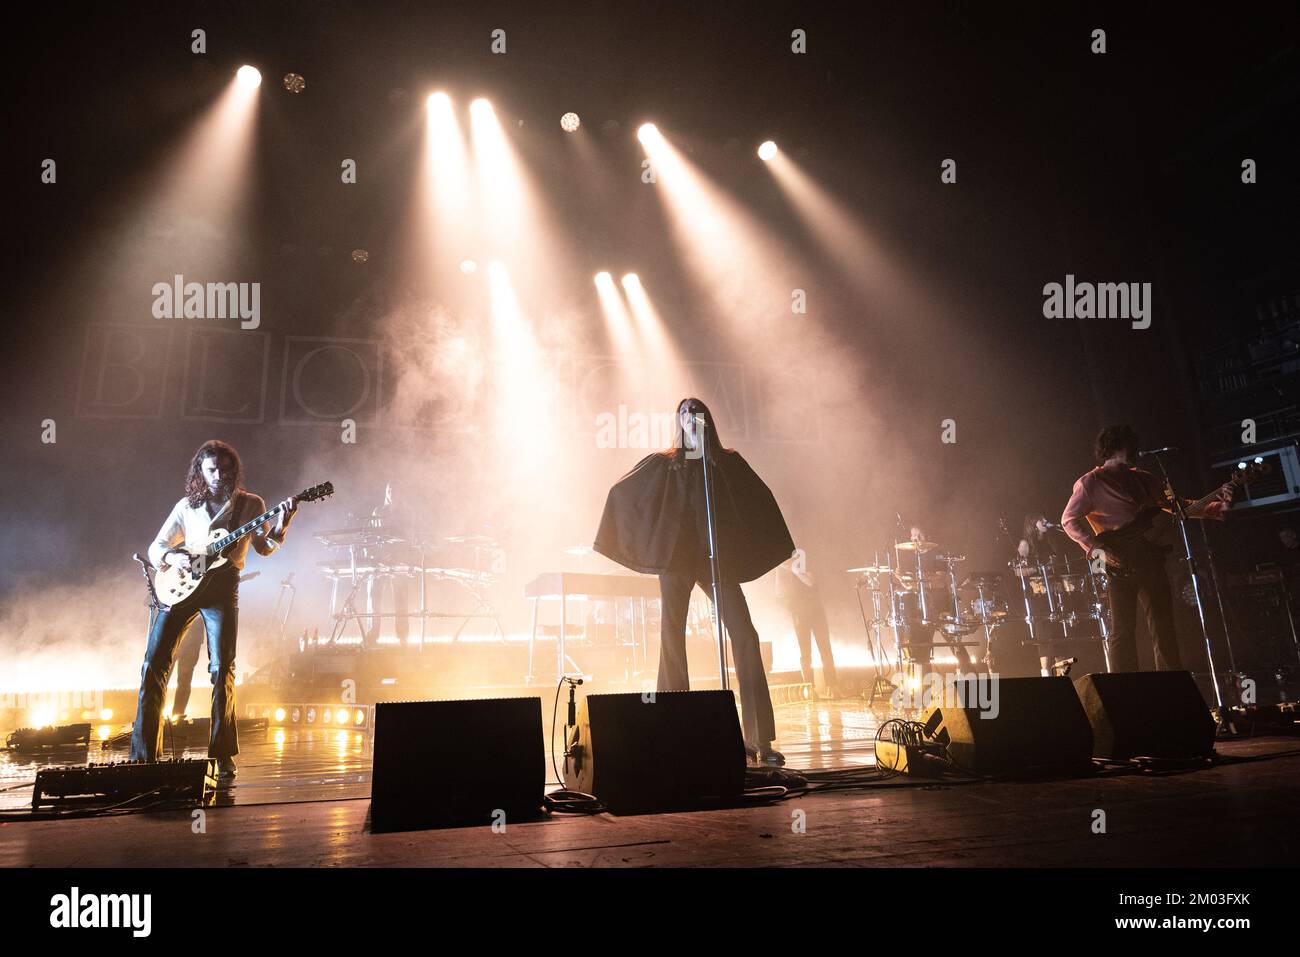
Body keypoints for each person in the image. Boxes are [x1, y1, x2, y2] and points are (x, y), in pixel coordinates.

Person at [594, 397, 795, 766]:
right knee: (672, 635)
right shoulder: (666, 463)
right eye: (684, 413)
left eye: (696, 413)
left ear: (706, 420)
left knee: (745, 634)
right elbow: (622, 492)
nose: (690, 418)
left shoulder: (725, 462)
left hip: (715, 560)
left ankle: (758, 737)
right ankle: (672, 727)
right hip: (676, 560)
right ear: (679, 421)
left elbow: (760, 498)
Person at [130, 440, 298, 779]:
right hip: (181, 587)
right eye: (211, 469)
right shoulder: (186, 507)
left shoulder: (251, 504)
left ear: (234, 469)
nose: (218, 475)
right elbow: (157, 545)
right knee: (153, 664)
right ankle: (144, 757)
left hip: (222, 589)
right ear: (200, 472)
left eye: (224, 468)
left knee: (222, 670)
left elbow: (265, 548)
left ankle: (222, 755)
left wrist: (283, 522)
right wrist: (173, 556)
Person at [1061, 425, 1230, 672]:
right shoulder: (1090, 482)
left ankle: (1171, 686)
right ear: (1115, 446)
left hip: (1150, 557)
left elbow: (1178, 506)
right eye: (1130, 445)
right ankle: (1126, 692)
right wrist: (1099, 550)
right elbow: (1068, 520)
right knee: (1123, 630)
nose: (1136, 451)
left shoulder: (1143, 478)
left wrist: (1217, 507)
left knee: (1164, 626)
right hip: (1117, 562)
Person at [775, 551, 843, 697]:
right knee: (805, 653)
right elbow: (779, 591)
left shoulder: (808, 565)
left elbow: (811, 581)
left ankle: (832, 686)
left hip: (816, 611)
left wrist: (798, 572)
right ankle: (810, 688)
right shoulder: (785, 569)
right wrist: (789, 570)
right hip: (799, 613)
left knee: (825, 649)